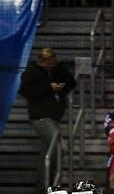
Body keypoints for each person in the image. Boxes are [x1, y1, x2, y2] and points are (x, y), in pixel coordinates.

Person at [19, 48, 76, 182]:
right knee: (60, 148)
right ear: (41, 61)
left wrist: (61, 74)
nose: (51, 65)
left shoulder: (56, 71)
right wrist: (49, 88)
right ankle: (50, 179)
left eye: (53, 62)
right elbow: (28, 92)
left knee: (47, 154)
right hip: (41, 117)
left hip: (54, 116)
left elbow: (71, 83)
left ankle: (43, 185)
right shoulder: (31, 73)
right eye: (48, 63)